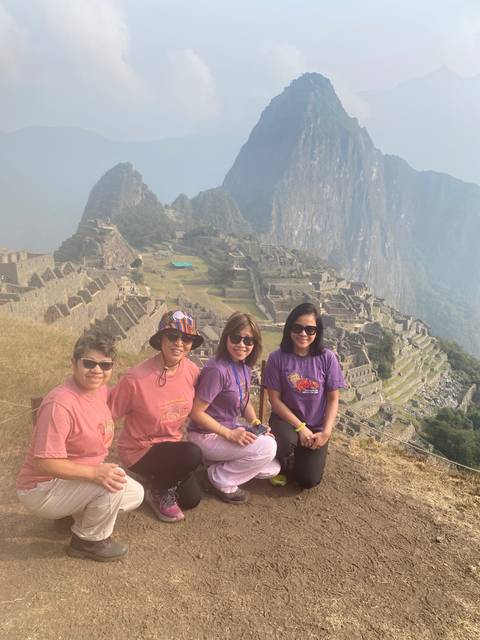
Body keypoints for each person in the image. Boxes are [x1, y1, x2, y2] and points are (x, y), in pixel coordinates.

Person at [16, 330, 144, 562]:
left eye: (105, 365)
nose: (97, 370)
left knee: (135, 493)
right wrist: (95, 473)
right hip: (42, 488)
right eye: (89, 363)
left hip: (68, 480)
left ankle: (71, 513)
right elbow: (43, 462)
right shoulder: (60, 404)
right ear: (74, 363)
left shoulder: (99, 391)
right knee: (111, 485)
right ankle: (88, 541)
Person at [109, 309, 204, 523]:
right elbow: (107, 414)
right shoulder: (135, 379)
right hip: (140, 451)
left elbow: (204, 405)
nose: (179, 343)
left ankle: (157, 480)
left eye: (187, 338)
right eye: (172, 336)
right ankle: (159, 490)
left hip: (171, 447)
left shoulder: (191, 371)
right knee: (192, 454)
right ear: (161, 338)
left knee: (191, 500)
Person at [189, 311, 280, 504]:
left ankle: (215, 464)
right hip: (205, 436)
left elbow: (244, 400)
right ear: (226, 338)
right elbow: (196, 413)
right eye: (236, 338)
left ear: (254, 344)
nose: (241, 344)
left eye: (248, 340)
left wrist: (256, 424)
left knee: (273, 468)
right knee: (268, 449)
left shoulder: (243, 367)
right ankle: (219, 479)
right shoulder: (217, 370)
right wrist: (229, 435)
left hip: (228, 430)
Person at [263, 302, 346, 489]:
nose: (303, 334)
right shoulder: (278, 358)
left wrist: (326, 432)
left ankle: (299, 457)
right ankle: (282, 464)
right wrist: (300, 428)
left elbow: (333, 398)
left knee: (308, 481)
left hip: (316, 425)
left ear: (317, 332)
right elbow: (274, 400)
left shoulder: (327, 358)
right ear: (289, 328)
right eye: (298, 328)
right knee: (284, 442)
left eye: (310, 329)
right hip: (286, 422)